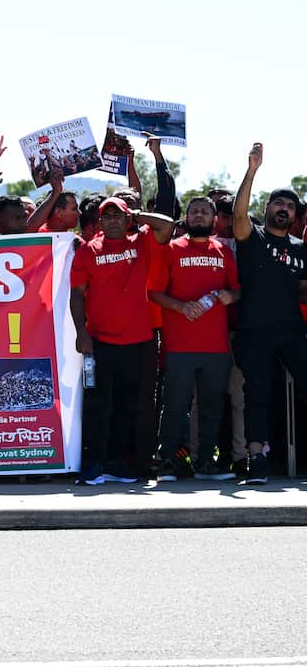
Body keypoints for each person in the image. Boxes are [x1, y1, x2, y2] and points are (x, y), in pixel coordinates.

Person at [69, 197, 175, 485]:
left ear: (128, 220)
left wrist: (137, 214)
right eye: (107, 216)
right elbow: (77, 295)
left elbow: (167, 227)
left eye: (118, 215)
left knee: (127, 406)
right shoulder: (89, 251)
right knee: (97, 406)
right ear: (99, 222)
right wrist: (82, 332)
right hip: (100, 342)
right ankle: (92, 465)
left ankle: (116, 464)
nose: (113, 220)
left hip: (139, 341)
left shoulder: (140, 242)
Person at [148, 196, 240, 482]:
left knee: (213, 405)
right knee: (175, 405)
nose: (199, 215)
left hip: (216, 347)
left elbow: (237, 290)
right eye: (194, 211)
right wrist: (180, 306)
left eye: (205, 212)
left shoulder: (224, 252)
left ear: (215, 220)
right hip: (180, 345)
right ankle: (167, 463)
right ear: (185, 219)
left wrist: (230, 296)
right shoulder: (171, 249)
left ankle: (205, 465)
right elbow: (153, 292)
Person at [230, 143, 307, 485]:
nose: (284, 209)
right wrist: (252, 170)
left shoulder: (302, 249)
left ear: (295, 217)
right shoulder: (253, 237)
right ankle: (257, 458)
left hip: (292, 330)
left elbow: (302, 289)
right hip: (254, 330)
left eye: (290, 207)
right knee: (257, 393)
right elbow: (238, 215)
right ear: (267, 207)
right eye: (279, 203)